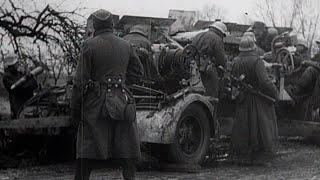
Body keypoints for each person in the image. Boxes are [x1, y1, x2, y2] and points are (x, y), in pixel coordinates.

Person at [71, 9, 144, 180]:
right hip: (122, 101)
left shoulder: (89, 45)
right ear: (112, 24)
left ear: (95, 25)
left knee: (86, 154)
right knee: (127, 153)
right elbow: (138, 72)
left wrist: (75, 109)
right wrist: (123, 83)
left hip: (95, 105)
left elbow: (79, 82)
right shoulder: (126, 45)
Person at [231, 36, 279, 165]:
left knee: (243, 125)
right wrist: (275, 92)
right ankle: (260, 155)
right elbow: (264, 81)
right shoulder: (257, 61)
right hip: (257, 98)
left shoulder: (235, 61)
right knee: (260, 126)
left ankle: (243, 155)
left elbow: (232, 80)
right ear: (253, 47)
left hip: (242, 98)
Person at [192, 21, 228, 99]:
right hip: (208, 71)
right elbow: (221, 58)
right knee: (211, 96)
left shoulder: (198, 35)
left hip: (194, 69)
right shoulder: (217, 39)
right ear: (221, 32)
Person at [2, 53, 38, 119]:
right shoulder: (7, 77)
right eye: (16, 63)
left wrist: (28, 79)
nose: (18, 64)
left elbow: (34, 85)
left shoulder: (21, 73)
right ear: (11, 65)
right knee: (20, 124)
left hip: (29, 103)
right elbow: (17, 89)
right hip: (18, 106)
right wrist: (27, 82)